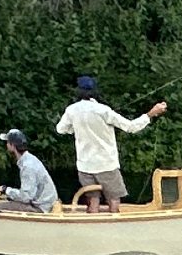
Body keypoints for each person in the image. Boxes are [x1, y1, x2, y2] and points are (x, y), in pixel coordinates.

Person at [53, 74, 165, 213]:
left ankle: (93, 229)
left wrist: (75, 129)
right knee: (113, 199)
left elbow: (60, 129)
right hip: (106, 165)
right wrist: (151, 113)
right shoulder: (103, 110)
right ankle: (113, 228)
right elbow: (131, 127)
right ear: (94, 91)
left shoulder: (71, 110)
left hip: (84, 165)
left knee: (93, 200)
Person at [0, 129, 58, 213]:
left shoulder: (27, 166)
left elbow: (26, 197)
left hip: (41, 208)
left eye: (7, 142)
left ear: (12, 146)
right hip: (46, 203)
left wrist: (6, 190)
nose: (6, 145)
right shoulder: (30, 159)